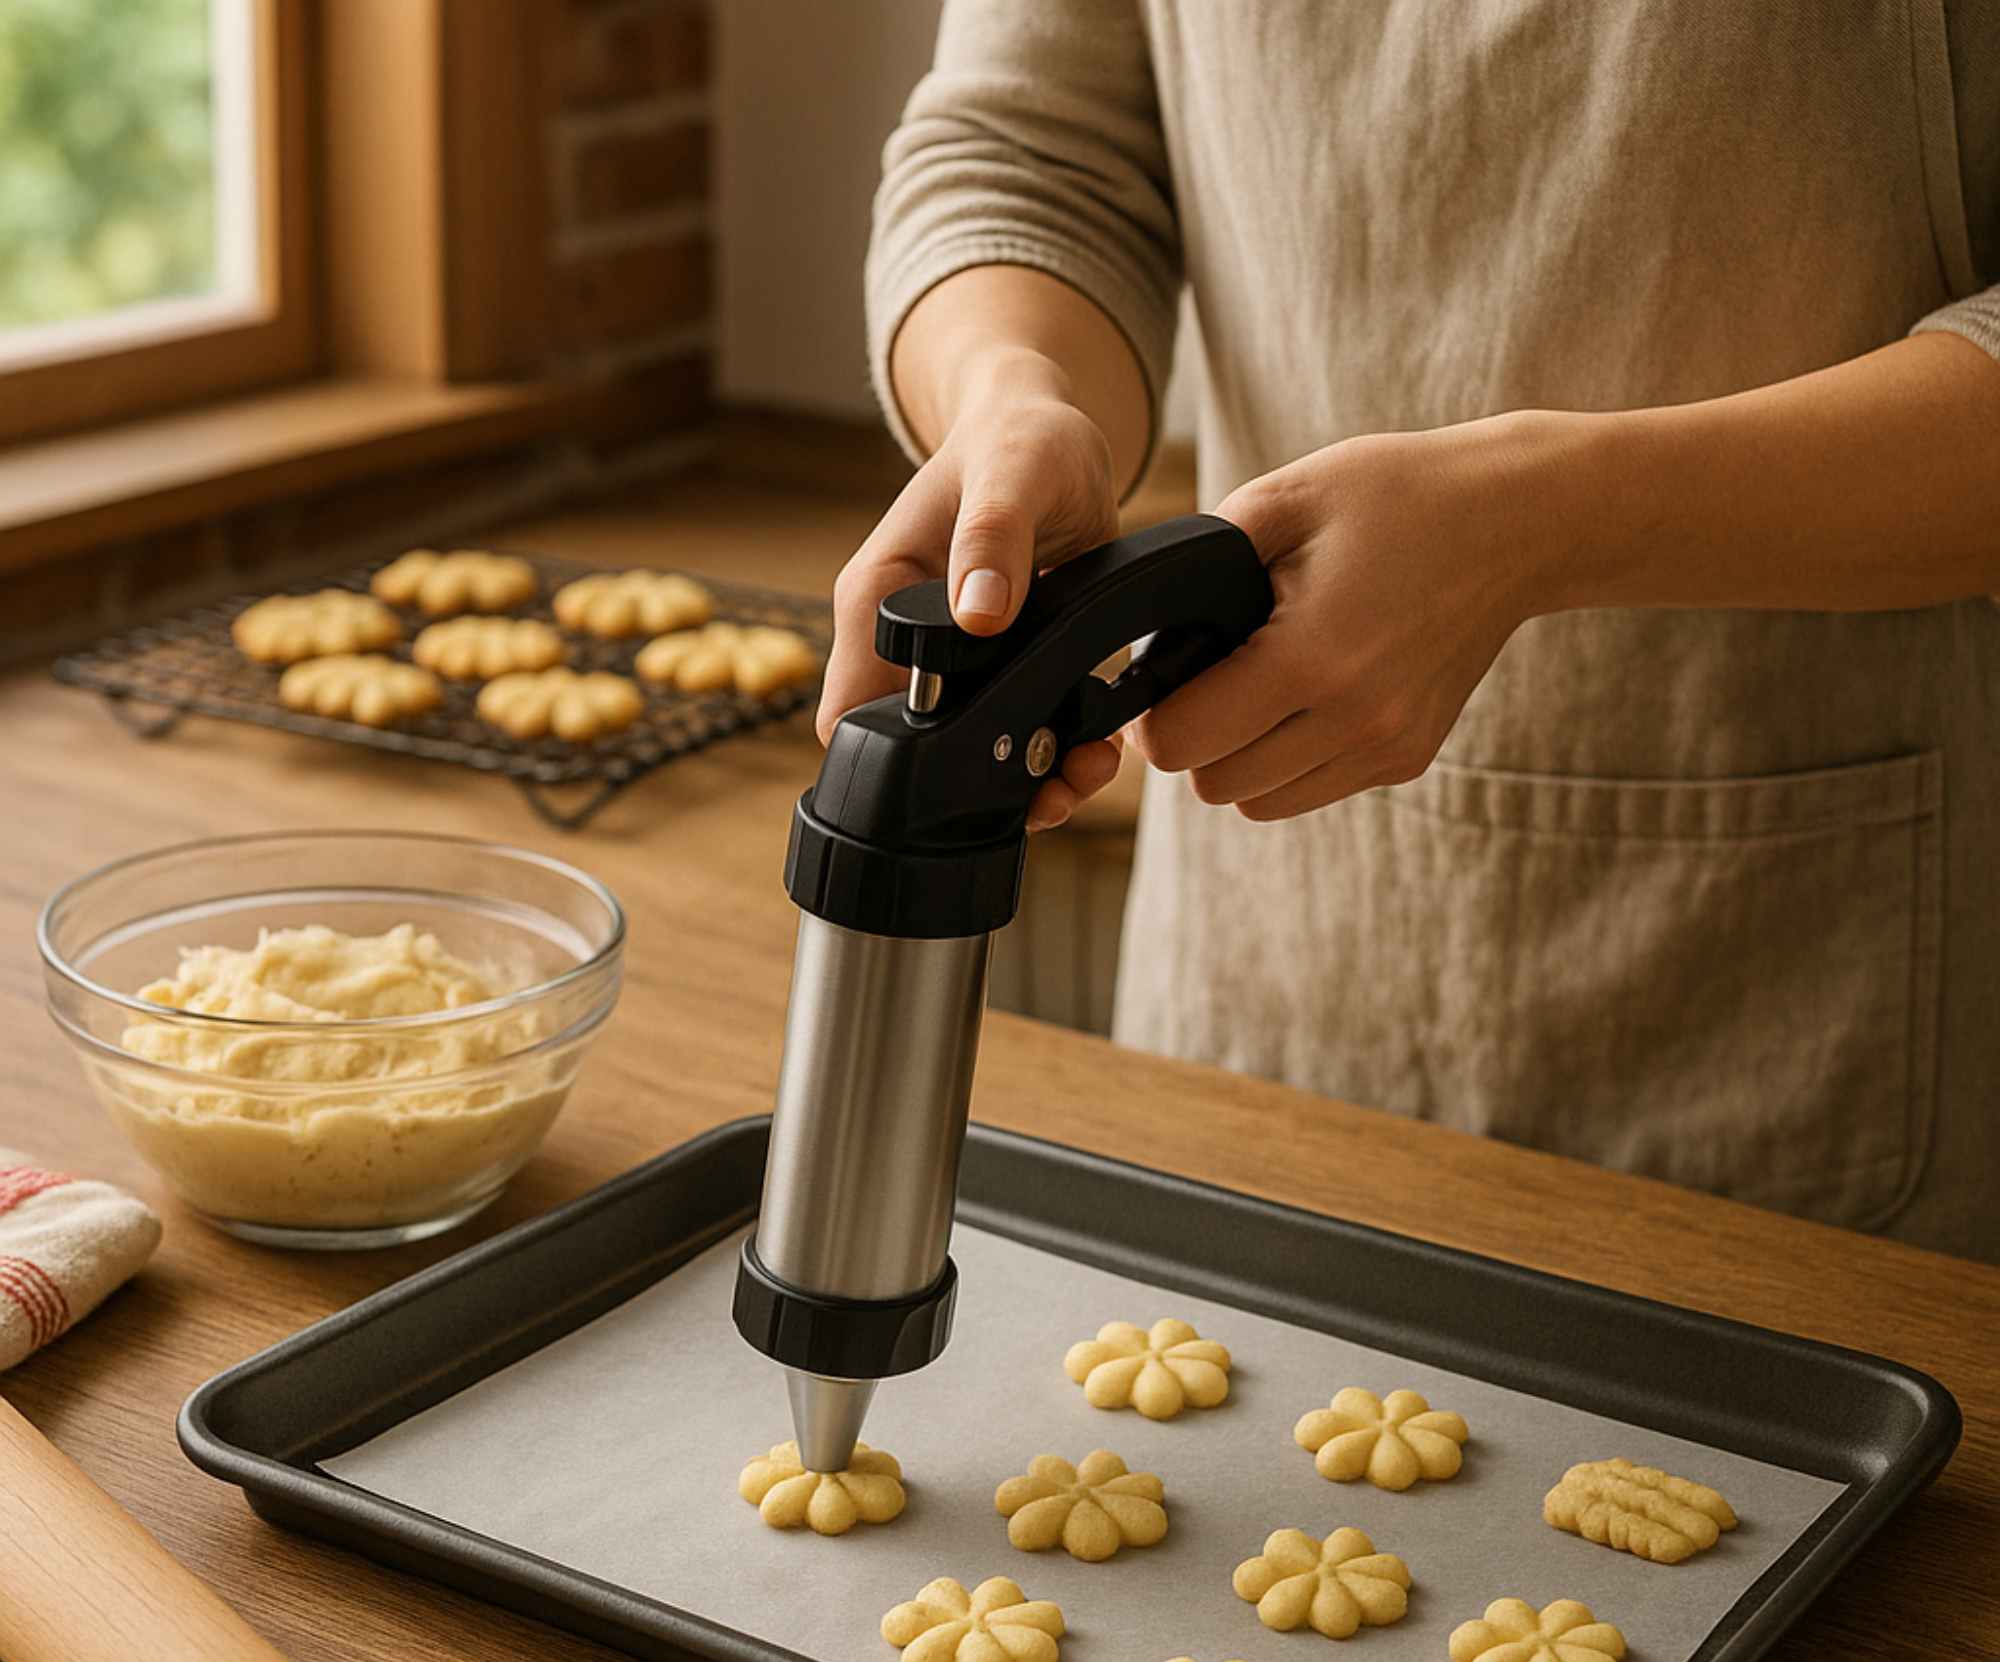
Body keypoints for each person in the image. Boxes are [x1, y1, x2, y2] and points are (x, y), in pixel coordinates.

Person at [817, 4, 2000, 1262]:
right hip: (1252, 1002)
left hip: (1830, 1022)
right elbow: (1025, 154)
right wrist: (1010, 393)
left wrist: (1548, 521)